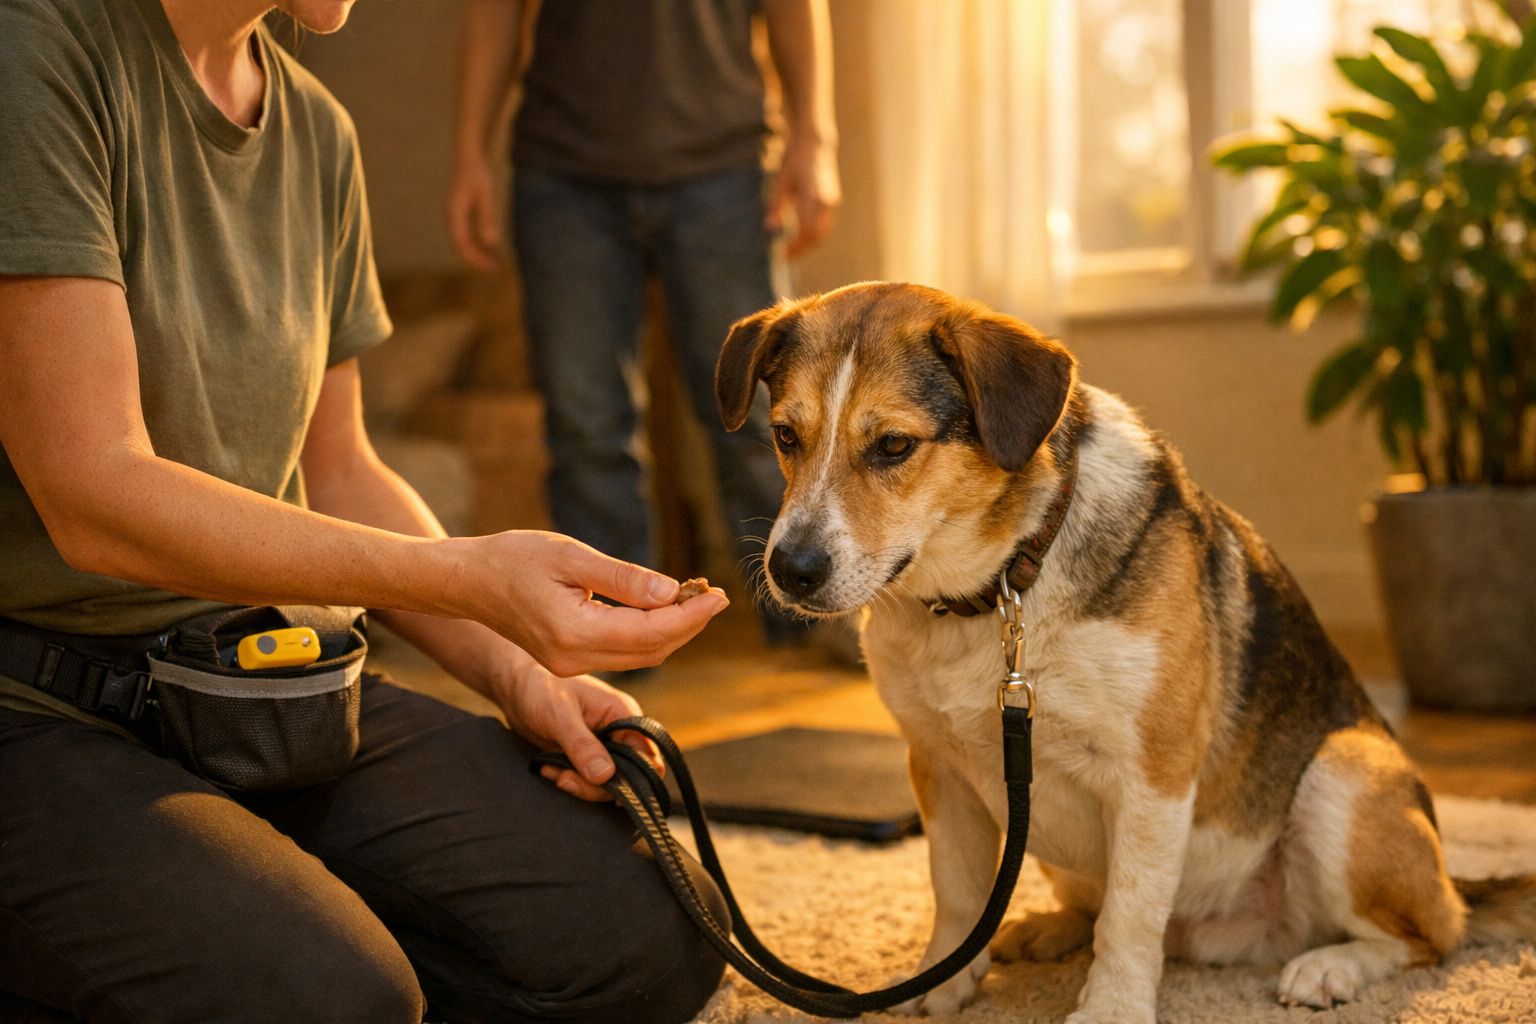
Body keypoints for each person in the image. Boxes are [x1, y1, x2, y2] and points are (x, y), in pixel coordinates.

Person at [0, 0, 733, 1021]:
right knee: (338, 999)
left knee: (649, 935)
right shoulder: (37, 51)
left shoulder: (317, 131)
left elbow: (339, 467)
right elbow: (93, 492)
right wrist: (473, 576)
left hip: (264, 689)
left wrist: (518, 671)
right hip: (42, 708)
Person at [448, 0, 840, 645]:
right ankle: (609, 634)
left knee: (758, 417)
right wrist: (470, 154)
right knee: (584, 426)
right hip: (562, 175)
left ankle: (803, 625)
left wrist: (813, 136)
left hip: (724, 170)